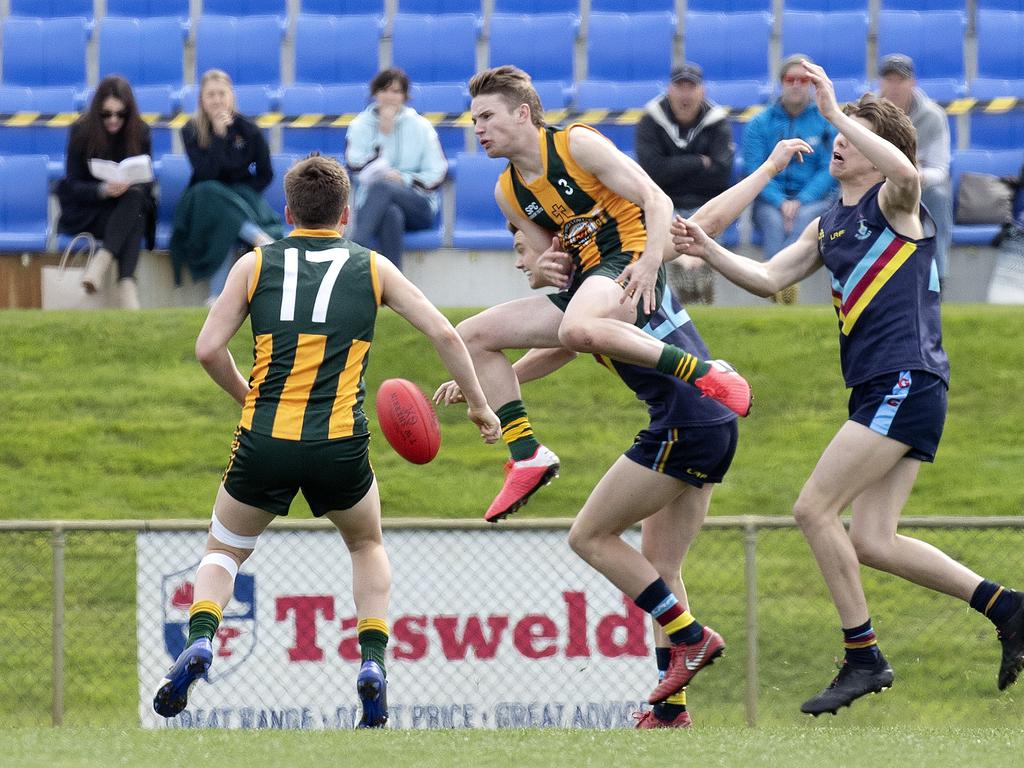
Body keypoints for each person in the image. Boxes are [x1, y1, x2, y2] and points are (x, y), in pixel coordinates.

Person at [673, 61, 1024, 716]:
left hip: (906, 380)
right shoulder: (829, 221)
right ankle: (1006, 606)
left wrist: (837, 111)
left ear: (875, 149)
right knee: (873, 540)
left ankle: (863, 655)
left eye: (851, 135)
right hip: (882, 389)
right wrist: (705, 248)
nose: (837, 142)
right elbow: (770, 275)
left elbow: (909, 173)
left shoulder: (896, 202)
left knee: (812, 508)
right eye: (837, 132)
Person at [441, 138, 813, 726]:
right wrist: (483, 385)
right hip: (711, 423)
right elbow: (560, 346)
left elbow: (695, 224)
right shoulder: (596, 299)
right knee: (662, 566)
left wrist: (766, 169)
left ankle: (690, 636)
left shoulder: (611, 281)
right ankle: (671, 713)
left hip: (688, 418)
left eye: (521, 240)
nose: (518, 252)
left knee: (590, 537)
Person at [152, 153, 500, 728]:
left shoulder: (255, 264)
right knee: (366, 545)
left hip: (264, 438)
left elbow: (208, 349)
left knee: (223, 549)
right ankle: (371, 662)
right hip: (340, 445)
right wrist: (482, 406)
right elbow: (443, 330)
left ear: (287, 212)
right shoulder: (372, 267)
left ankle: (203, 639)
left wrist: (248, 398)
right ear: (345, 214)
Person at [463, 65, 752, 523]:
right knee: (473, 335)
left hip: (630, 257)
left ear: (522, 113)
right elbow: (544, 265)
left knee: (578, 328)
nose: (477, 129)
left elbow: (656, 199)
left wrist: (652, 261)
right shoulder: (508, 192)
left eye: (485, 117)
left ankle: (704, 371)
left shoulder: (575, 143)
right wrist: (546, 266)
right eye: (473, 119)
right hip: (589, 284)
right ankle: (526, 454)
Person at [170, 69, 283, 304]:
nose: (217, 100)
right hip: (201, 201)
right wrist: (220, 136)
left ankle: (216, 296)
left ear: (231, 96)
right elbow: (205, 173)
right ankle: (260, 239)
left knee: (227, 221)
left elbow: (266, 173)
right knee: (211, 191)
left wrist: (244, 193)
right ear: (202, 99)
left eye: (221, 94)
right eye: (210, 95)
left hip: (238, 200)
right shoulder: (190, 130)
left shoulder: (249, 130)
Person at [635, 62, 734, 306]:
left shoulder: (717, 122)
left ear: (702, 91)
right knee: (654, 212)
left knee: (712, 218)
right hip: (665, 203)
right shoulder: (650, 121)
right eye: (680, 86)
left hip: (707, 203)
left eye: (691, 87)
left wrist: (673, 167)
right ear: (670, 89)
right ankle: (688, 265)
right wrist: (699, 162)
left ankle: (694, 267)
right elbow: (652, 172)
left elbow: (722, 173)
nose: (685, 93)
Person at [743, 54, 837, 304]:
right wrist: (780, 201)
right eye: (790, 79)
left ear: (810, 84)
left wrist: (802, 199)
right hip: (769, 201)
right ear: (781, 83)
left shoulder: (825, 122)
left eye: (803, 80)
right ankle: (780, 290)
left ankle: (782, 288)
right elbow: (755, 169)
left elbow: (831, 168)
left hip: (815, 200)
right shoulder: (758, 124)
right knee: (773, 222)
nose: (796, 84)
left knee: (806, 218)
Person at [56, 75, 156, 310]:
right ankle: (127, 286)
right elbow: (72, 184)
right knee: (135, 217)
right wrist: (103, 190)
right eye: (106, 114)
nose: (113, 120)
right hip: (89, 210)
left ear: (128, 112)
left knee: (136, 198)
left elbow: (147, 182)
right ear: (97, 112)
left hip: (125, 207)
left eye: (120, 114)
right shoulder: (81, 131)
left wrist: (127, 185)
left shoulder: (140, 132)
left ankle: (103, 261)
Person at [345, 68, 447, 271]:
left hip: (418, 206)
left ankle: (353, 252)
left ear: (405, 96)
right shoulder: (360, 125)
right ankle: (393, 286)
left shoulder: (421, 126)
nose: (390, 97)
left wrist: (404, 179)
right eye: (385, 90)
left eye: (396, 91)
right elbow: (354, 165)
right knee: (391, 213)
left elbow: (437, 174)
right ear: (375, 93)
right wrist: (383, 132)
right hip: (375, 206)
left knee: (385, 187)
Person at [878, 53, 953, 288]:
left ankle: (938, 278)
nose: (895, 86)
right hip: (878, 183)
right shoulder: (870, 114)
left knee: (939, 197)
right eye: (889, 80)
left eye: (900, 80)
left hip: (920, 186)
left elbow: (940, 169)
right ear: (881, 83)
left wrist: (917, 176)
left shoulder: (932, 116)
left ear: (913, 82)